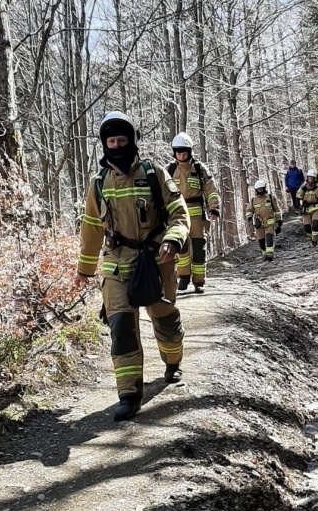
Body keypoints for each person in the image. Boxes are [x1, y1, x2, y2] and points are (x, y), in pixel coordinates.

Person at [74, 112, 190, 421]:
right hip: (116, 265)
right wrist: (84, 270)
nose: (116, 146)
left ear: (131, 142)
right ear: (104, 144)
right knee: (122, 329)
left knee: (165, 322)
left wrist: (173, 240)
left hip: (155, 262)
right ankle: (128, 394)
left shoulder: (155, 174)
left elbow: (179, 213)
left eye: (121, 140)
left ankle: (172, 362)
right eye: (110, 141)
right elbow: (90, 229)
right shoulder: (98, 184)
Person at [168, 132, 220, 293]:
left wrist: (214, 208)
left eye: (184, 152)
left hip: (198, 215)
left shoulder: (199, 169)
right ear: (174, 152)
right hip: (177, 216)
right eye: (178, 152)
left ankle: (199, 281)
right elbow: (160, 193)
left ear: (189, 152)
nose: (181, 156)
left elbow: (211, 190)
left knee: (199, 248)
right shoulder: (169, 170)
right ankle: (183, 277)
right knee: (181, 248)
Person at [246, 179, 282, 261]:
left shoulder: (269, 198)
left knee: (269, 238)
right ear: (256, 190)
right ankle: (264, 252)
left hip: (269, 223)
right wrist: (249, 217)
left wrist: (279, 220)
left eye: (261, 189)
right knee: (261, 240)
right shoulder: (253, 200)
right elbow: (249, 210)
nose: (260, 191)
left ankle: (270, 254)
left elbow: (276, 210)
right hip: (259, 225)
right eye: (258, 189)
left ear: (264, 188)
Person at [297, 169, 318, 247]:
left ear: (315, 179)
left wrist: (316, 190)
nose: (310, 180)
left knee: (315, 225)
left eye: (312, 178)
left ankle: (315, 241)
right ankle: (310, 238)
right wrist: (303, 190)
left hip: (316, 208)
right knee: (307, 227)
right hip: (306, 209)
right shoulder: (304, 186)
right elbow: (298, 196)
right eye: (309, 178)